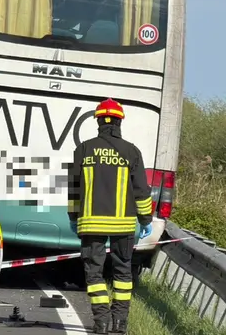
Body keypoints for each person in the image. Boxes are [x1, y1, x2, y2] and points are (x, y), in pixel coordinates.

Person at [67, 98, 153, 334]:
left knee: (93, 272)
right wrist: (146, 220)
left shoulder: (83, 149)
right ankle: (120, 322)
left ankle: (101, 321)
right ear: (119, 121)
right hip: (123, 225)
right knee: (123, 272)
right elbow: (141, 191)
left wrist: (74, 216)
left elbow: (74, 187)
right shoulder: (131, 151)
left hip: (91, 223)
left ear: (98, 121)